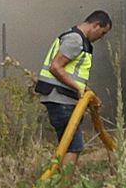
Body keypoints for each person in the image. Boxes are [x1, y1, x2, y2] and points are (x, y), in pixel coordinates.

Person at [35, 10, 113, 166]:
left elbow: (73, 75)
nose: (102, 37)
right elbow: (56, 67)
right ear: (96, 25)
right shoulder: (75, 40)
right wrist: (78, 89)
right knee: (73, 147)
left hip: (62, 99)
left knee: (67, 146)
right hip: (60, 99)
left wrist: (87, 92)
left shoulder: (77, 39)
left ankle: (58, 178)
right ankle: (64, 181)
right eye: (103, 32)